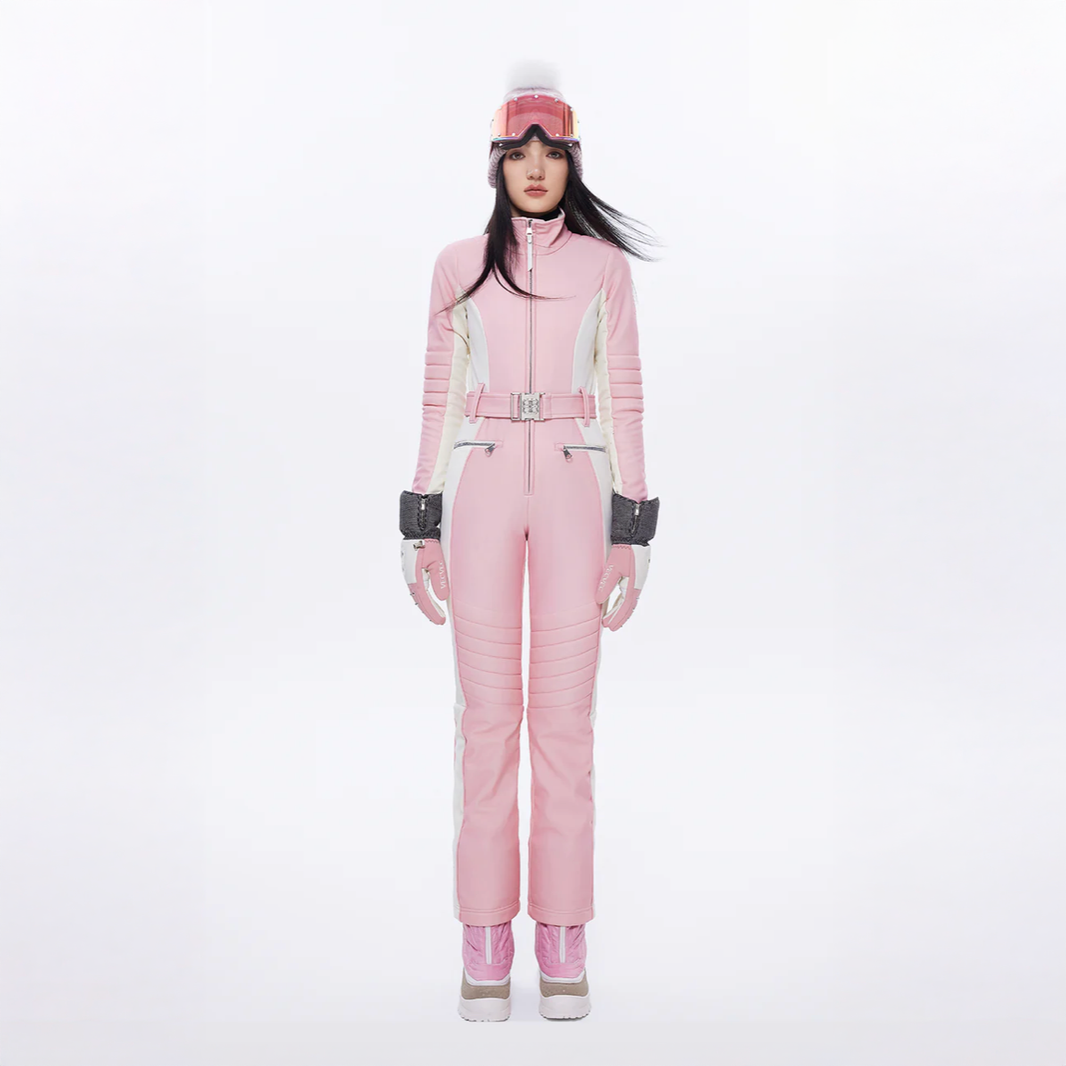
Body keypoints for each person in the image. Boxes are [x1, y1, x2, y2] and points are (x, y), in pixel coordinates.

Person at [398, 79, 661, 1022]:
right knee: (484, 724)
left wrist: (632, 527)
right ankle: (483, 938)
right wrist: (420, 518)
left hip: (574, 494)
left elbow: (624, 397)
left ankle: (562, 935)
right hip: (479, 493)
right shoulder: (459, 267)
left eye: (553, 153)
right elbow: (439, 395)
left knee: (565, 728)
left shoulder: (605, 268)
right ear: (498, 165)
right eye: (520, 153)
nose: (537, 167)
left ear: (572, 164)